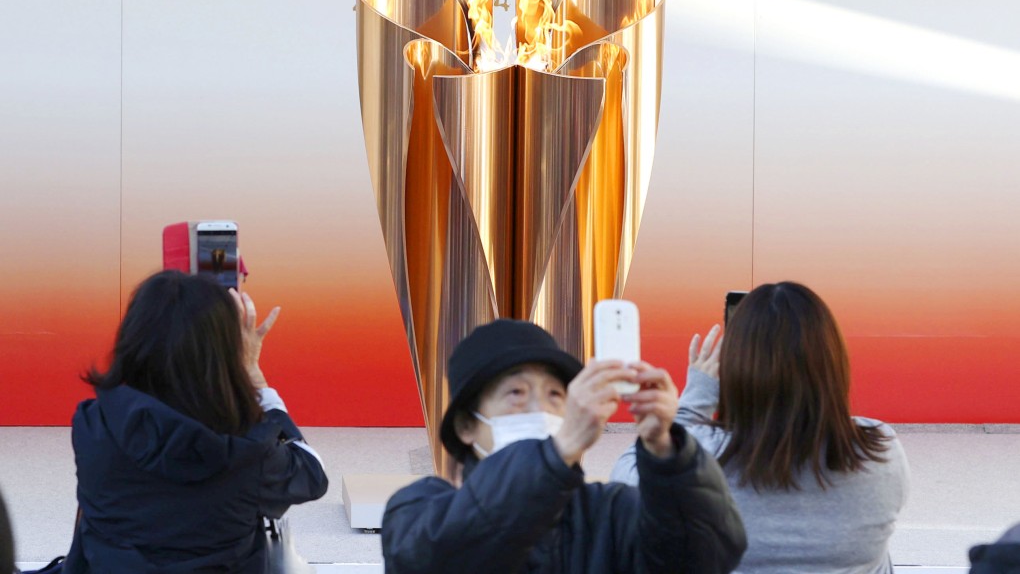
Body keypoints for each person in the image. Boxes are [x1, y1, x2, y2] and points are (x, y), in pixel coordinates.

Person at [382, 318, 747, 574]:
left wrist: (669, 453)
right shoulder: (418, 509)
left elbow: (705, 556)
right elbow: (438, 558)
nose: (540, 408)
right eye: (516, 393)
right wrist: (557, 452)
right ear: (465, 425)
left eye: (556, 394)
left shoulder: (610, 512)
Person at [611, 281, 909, 574]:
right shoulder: (881, 449)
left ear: (734, 367)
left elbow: (625, 481)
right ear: (833, 363)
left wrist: (693, 401)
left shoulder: (700, 455)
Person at [63, 270, 327, 573]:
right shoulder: (250, 452)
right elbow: (313, 474)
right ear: (224, 353)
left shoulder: (92, 426)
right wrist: (256, 379)